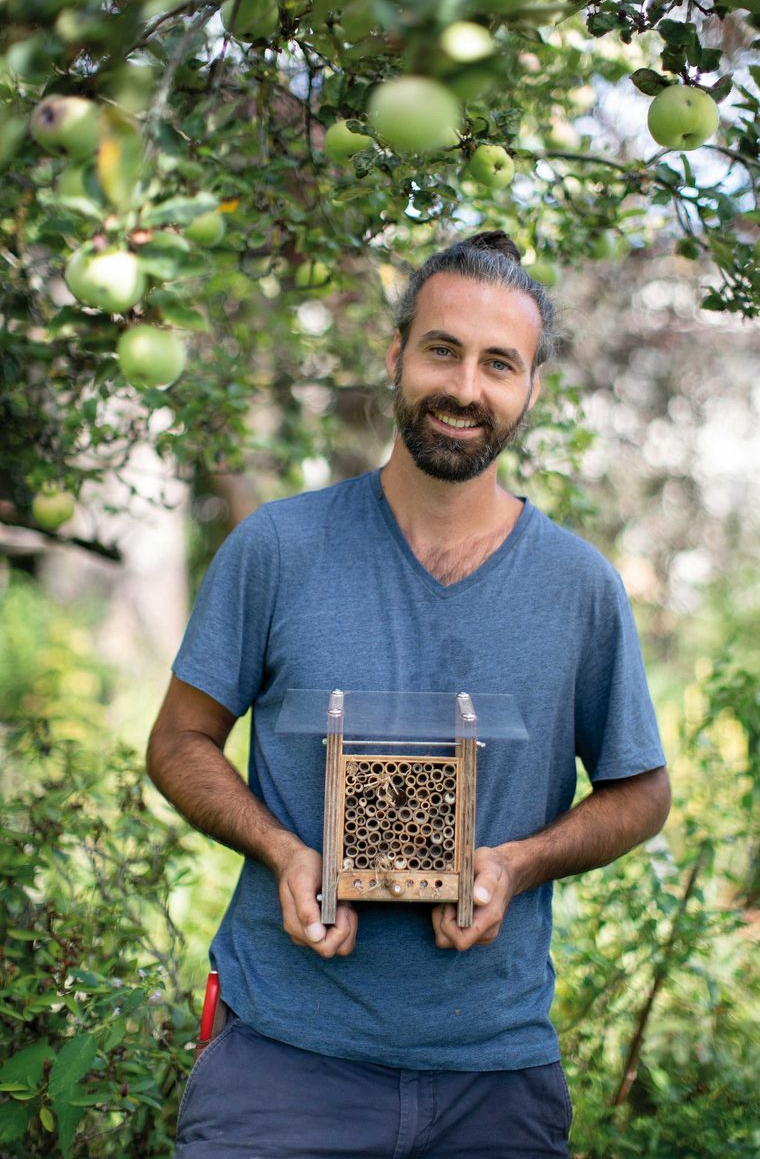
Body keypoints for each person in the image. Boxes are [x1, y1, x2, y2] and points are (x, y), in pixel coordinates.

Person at [147, 231, 671, 1159]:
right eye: (443, 350)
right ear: (395, 356)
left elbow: (642, 793)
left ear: (530, 389)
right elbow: (180, 741)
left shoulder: (578, 587)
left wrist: (517, 864)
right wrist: (282, 849)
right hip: (281, 1062)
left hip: (495, 1080)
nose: (466, 389)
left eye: (498, 364)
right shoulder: (279, 549)